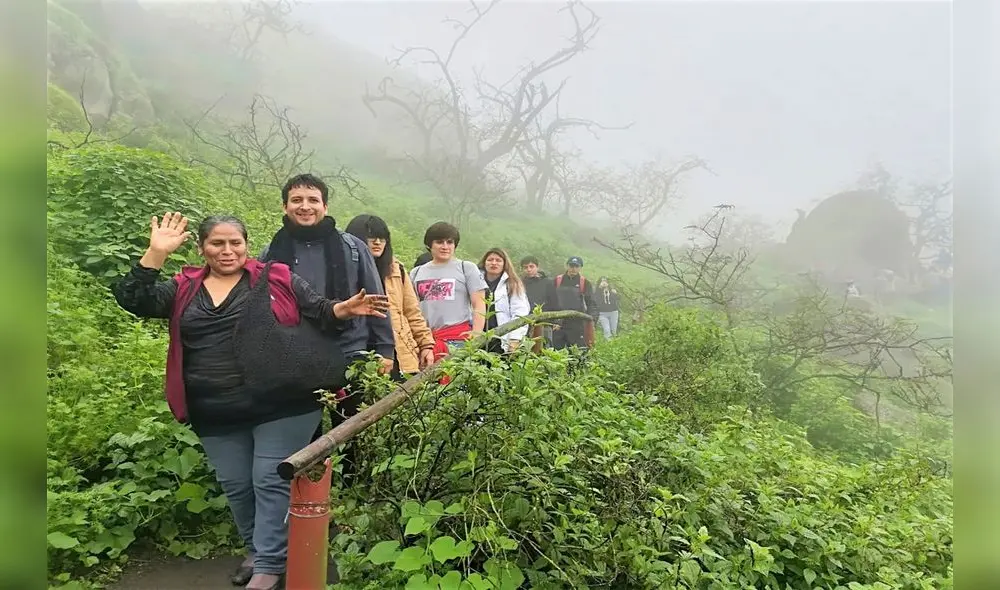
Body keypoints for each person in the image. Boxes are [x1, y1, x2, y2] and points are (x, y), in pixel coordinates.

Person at [113, 213, 388, 590]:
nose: (227, 251)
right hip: (215, 408)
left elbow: (321, 311)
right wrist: (155, 253)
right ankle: (259, 551)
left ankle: (269, 567)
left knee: (268, 480)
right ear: (201, 248)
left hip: (284, 401)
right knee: (237, 485)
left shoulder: (275, 277)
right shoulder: (184, 287)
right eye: (217, 243)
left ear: (246, 244)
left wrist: (344, 308)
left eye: (235, 243)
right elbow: (134, 299)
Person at [258, 174, 394, 476]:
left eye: (312, 200)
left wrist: (385, 349)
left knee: (353, 431)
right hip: (294, 356)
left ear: (325, 205)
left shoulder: (353, 247)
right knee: (306, 436)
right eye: (297, 200)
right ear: (285, 206)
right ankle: (313, 499)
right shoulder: (271, 253)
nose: (305, 206)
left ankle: (354, 492)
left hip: (350, 352)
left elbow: (376, 299)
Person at [345, 214, 436, 380]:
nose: (378, 242)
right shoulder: (344, 269)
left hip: (399, 351)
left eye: (382, 238)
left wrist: (426, 345)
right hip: (358, 350)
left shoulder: (396, 269)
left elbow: (411, 312)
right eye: (371, 237)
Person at [409, 221, 487, 358]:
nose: (445, 247)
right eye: (439, 242)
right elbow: (412, 308)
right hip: (425, 341)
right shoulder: (416, 273)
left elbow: (479, 304)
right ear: (430, 245)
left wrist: (476, 335)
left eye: (449, 242)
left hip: (458, 339)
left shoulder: (467, 268)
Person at [478, 248, 530, 354]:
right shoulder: (475, 281)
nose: (494, 263)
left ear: (504, 264)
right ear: (484, 262)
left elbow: (520, 312)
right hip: (478, 337)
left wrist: (515, 339)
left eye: (498, 260)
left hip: (502, 338)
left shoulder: (512, 284)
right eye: (490, 260)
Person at [548, 256, 598, 350]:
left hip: (577, 324)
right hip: (558, 324)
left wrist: (592, 320)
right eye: (571, 266)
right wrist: (553, 321)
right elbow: (550, 301)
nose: (573, 269)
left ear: (580, 268)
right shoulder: (557, 280)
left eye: (576, 266)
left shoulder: (585, 283)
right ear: (567, 266)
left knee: (577, 354)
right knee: (556, 353)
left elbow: (591, 303)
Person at [520, 256, 554, 347]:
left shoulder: (547, 282)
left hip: (544, 322)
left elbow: (554, 301)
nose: (528, 269)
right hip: (524, 322)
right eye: (525, 267)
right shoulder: (519, 283)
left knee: (545, 348)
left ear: (537, 267)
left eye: (531, 266)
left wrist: (556, 322)